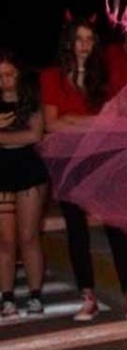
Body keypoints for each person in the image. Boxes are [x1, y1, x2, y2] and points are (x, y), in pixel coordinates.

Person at [40, 18, 127, 322]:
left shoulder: (102, 76)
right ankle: (87, 297)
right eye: (79, 39)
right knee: (76, 229)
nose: (84, 45)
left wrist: (73, 121)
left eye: (89, 39)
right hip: (67, 160)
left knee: (116, 225)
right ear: (69, 42)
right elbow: (52, 124)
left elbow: (109, 119)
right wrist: (93, 122)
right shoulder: (52, 76)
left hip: (102, 156)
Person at [0, 50, 49, 318]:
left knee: (29, 236)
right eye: (0, 76)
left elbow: (34, 135)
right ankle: (7, 297)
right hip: (2, 171)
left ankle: (35, 295)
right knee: (5, 240)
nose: (5, 81)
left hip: (28, 169)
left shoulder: (31, 99)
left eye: (9, 74)